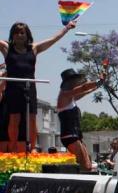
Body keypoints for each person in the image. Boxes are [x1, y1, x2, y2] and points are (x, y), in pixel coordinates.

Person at [0, 20, 77, 152]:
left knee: (32, 118)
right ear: (12, 35)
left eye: (22, 33)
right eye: (16, 33)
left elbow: (53, 39)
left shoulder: (34, 48)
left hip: (29, 87)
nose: (19, 35)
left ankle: (33, 148)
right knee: (14, 119)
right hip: (13, 88)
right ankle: (13, 148)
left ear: (27, 35)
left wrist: (67, 28)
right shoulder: (6, 48)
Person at [56, 68, 105, 171]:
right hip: (69, 136)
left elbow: (86, 91)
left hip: (76, 135)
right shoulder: (65, 94)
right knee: (85, 166)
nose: (76, 82)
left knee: (88, 164)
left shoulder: (71, 97)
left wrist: (100, 83)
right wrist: (98, 81)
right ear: (69, 82)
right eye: (74, 80)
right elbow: (83, 87)